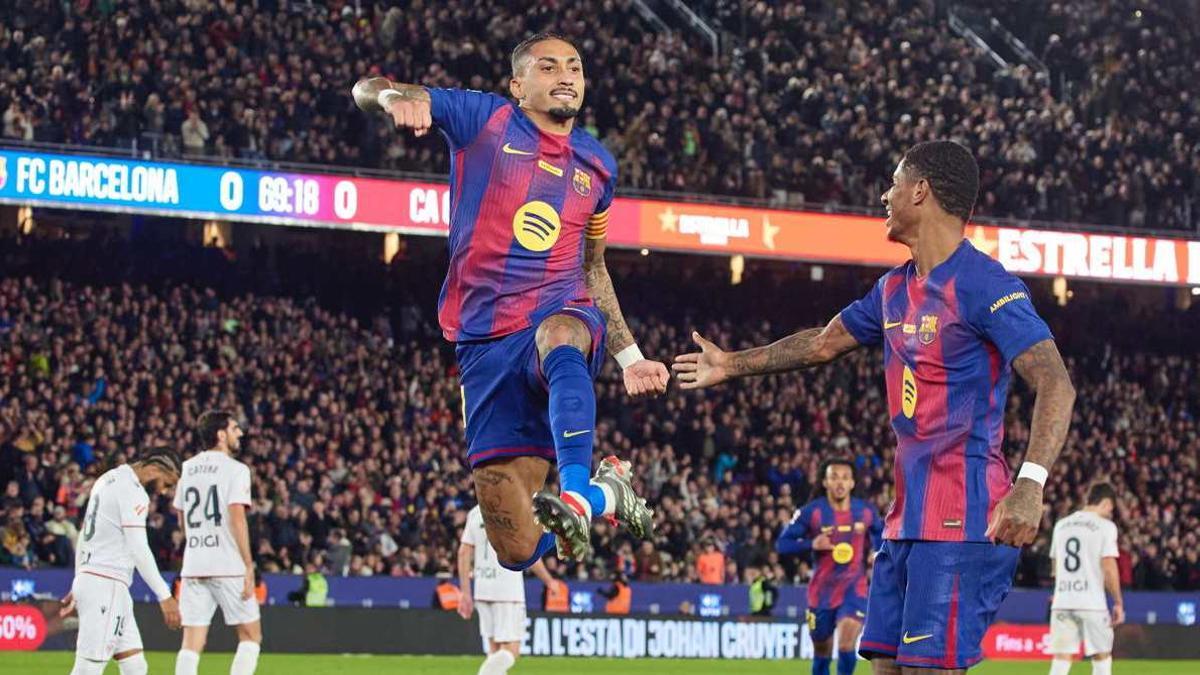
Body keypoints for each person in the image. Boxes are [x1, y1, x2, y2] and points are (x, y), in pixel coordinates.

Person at [673, 140, 1076, 673]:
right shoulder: (892, 289)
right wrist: (731, 364)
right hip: (904, 522)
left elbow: (1055, 382)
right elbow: (821, 343)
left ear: (920, 191)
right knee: (884, 666)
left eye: (893, 183)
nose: (884, 196)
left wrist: (1030, 483)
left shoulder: (985, 284)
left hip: (964, 516)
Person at [351, 32, 669, 568]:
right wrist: (391, 99)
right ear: (518, 84)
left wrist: (629, 357)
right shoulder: (486, 119)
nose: (565, 75)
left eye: (574, 66)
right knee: (515, 549)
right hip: (482, 341)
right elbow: (366, 87)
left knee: (559, 333)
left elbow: (592, 267)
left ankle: (573, 491)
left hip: (559, 313)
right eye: (548, 67)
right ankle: (604, 494)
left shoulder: (598, 166)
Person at [59, 447, 184, 675]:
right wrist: (165, 596)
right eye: (167, 483)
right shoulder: (133, 492)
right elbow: (138, 548)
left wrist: (80, 580)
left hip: (101, 581)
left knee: (135, 666)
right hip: (106, 585)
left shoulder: (108, 479)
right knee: (88, 669)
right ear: (154, 469)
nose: (166, 491)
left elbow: (85, 534)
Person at [174, 411, 262, 675]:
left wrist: (199, 544)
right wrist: (248, 565)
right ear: (221, 434)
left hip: (194, 564)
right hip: (227, 563)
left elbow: (182, 520)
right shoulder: (236, 470)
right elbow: (237, 519)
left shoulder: (186, 469)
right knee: (250, 637)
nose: (241, 433)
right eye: (235, 428)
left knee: (191, 643)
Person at [777, 458, 883, 675]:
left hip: (855, 588)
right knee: (822, 653)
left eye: (845, 477)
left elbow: (882, 536)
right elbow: (782, 544)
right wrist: (811, 544)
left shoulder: (866, 511)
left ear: (853, 482)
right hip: (821, 593)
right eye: (834, 477)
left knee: (846, 645)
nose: (840, 483)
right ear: (824, 482)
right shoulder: (811, 512)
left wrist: (877, 552)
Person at [458, 504, 555, 675]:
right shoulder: (516, 509)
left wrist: (465, 593)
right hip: (507, 589)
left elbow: (463, 552)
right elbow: (528, 555)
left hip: (482, 589)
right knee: (511, 651)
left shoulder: (475, 512)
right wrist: (548, 580)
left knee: (494, 651)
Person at [1048, 483, 1123, 675]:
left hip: (1063, 601)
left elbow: (1055, 568)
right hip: (1092, 603)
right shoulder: (1105, 527)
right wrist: (1118, 602)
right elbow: (1108, 566)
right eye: (1110, 509)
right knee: (1102, 656)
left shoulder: (1061, 525)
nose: (1109, 513)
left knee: (1061, 659)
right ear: (1106, 503)